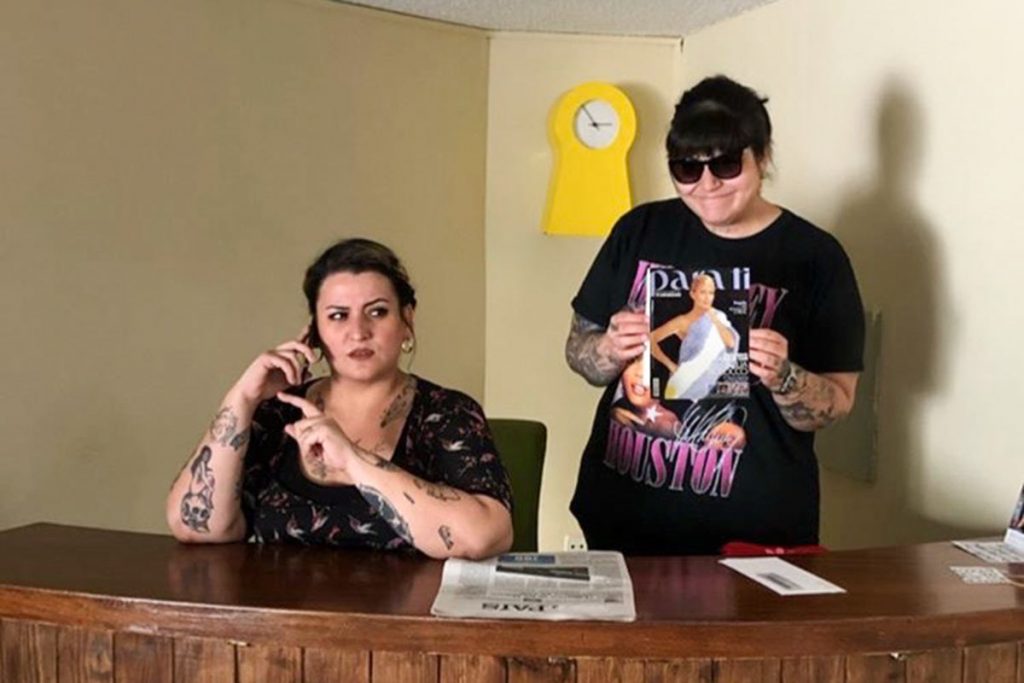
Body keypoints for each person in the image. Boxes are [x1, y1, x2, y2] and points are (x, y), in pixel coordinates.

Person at [565, 75, 865, 555]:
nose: (707, 185)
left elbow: (839, 401)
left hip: (756, 533)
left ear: (762, 156)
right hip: (622, 517)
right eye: (687, 168)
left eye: (725, 164)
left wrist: (785, 376)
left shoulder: (817, 257)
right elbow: (578, 352)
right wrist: (607, 348)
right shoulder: (639, 229)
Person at [167, 238, 513, 560]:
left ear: (407, 320)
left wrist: (352, 459)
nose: (358, 332)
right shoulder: (278, 412)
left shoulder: (447, 413)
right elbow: (196, 527)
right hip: (281, 606)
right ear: (314, 332)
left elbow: (484, 537)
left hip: (405, 608)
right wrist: (242, 398)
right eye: (338, 316)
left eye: (377, 312)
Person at [650, 272, 739, 401]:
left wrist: (714, 318)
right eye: (703, 292)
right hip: (682, 385)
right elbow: (650, 339)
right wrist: (671, 365)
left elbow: (730, 343)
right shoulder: (682, 321)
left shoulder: (719, 317)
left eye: (711, 293)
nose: (707, 298)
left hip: (706, 387)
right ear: (692, 294)